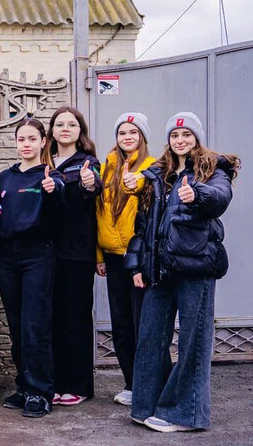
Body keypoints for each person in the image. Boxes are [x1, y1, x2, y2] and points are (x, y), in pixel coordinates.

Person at [126, 112, 239, 433]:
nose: (180, 140)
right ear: (168, 140)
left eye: (187, 134)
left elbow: (220, 197)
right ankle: (147, 405)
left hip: (196, 265)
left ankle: (185, 414)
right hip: (160, 268)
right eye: (175, 135)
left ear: (197, 138)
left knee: (194, 341)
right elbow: (144, 224)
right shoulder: (157, 173)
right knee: (150, 336)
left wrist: (198, 194)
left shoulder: (212, 168)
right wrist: (137, 264)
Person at [0, 118, 64, 418]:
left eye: (32, 139)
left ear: (43, 142)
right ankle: (23, 386)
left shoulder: (50, 176)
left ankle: (41, 392)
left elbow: (61, 215)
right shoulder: (5, 178)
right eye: (21, 139)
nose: (26, 144)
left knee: (35, 325)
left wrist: (53, 191)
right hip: (8, 257)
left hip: (38, 255)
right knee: (16, 324)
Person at [43, 107, 102, 407]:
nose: (65, 128)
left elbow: (95, 185)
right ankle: (55, 382)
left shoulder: (88, 162)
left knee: (75, 318)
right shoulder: (44, 161)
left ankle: (79, 385)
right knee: (52, 318)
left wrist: (89, 182)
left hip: (77, 252)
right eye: (60, 124)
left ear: (80, 131)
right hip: (46, 252)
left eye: (71, 124)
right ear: (52, 131)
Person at [95, 112, 155, 406]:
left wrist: (139, 181)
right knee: (120, 325)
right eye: (122, 132)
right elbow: (98, 211)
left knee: (142, 323)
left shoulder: (153, 166)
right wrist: (98, 255)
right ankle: (131, 383)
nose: (127, 137)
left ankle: (148, 385)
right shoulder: (107, 166)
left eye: (133, 132)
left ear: (142, 136)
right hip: (112, 257)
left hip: (139, 259)